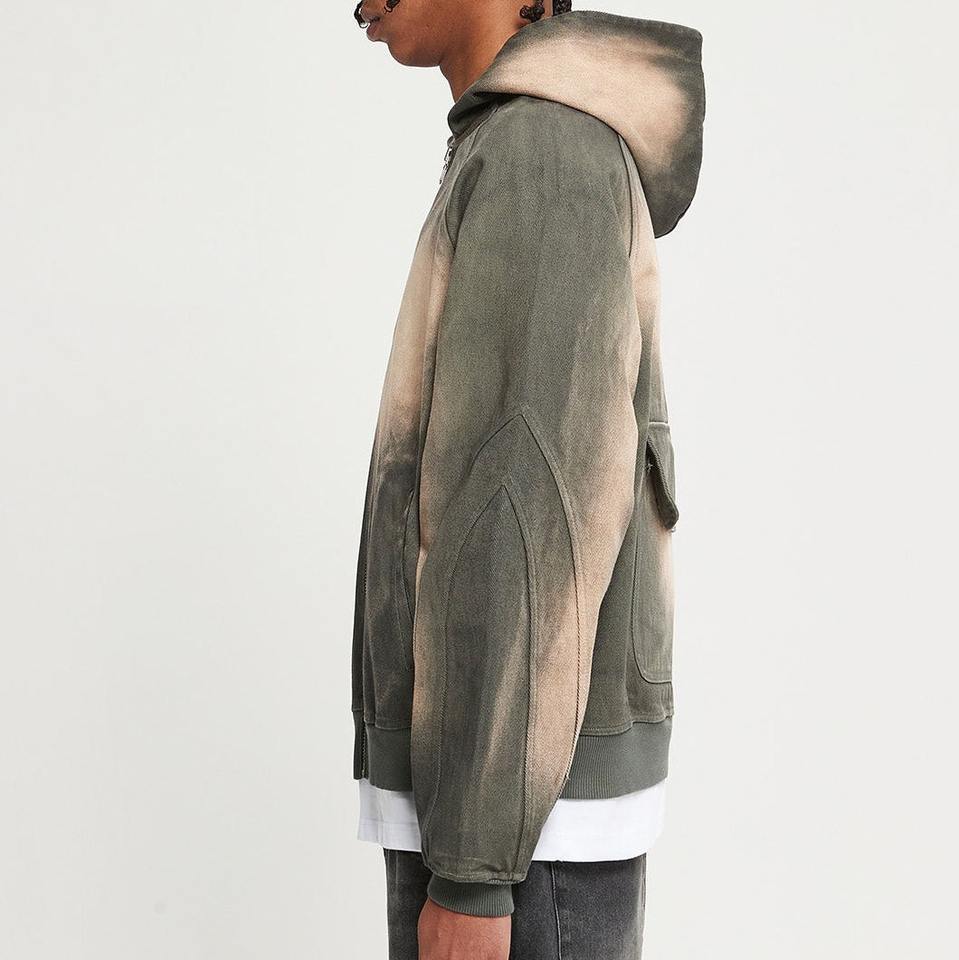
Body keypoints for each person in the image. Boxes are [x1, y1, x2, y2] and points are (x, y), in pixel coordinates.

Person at [348, 3, 705, 958]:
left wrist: (473, 871)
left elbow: (526, 516)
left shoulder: (540, 151)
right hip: (505, 807)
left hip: (515, 828)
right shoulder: (515, 141)